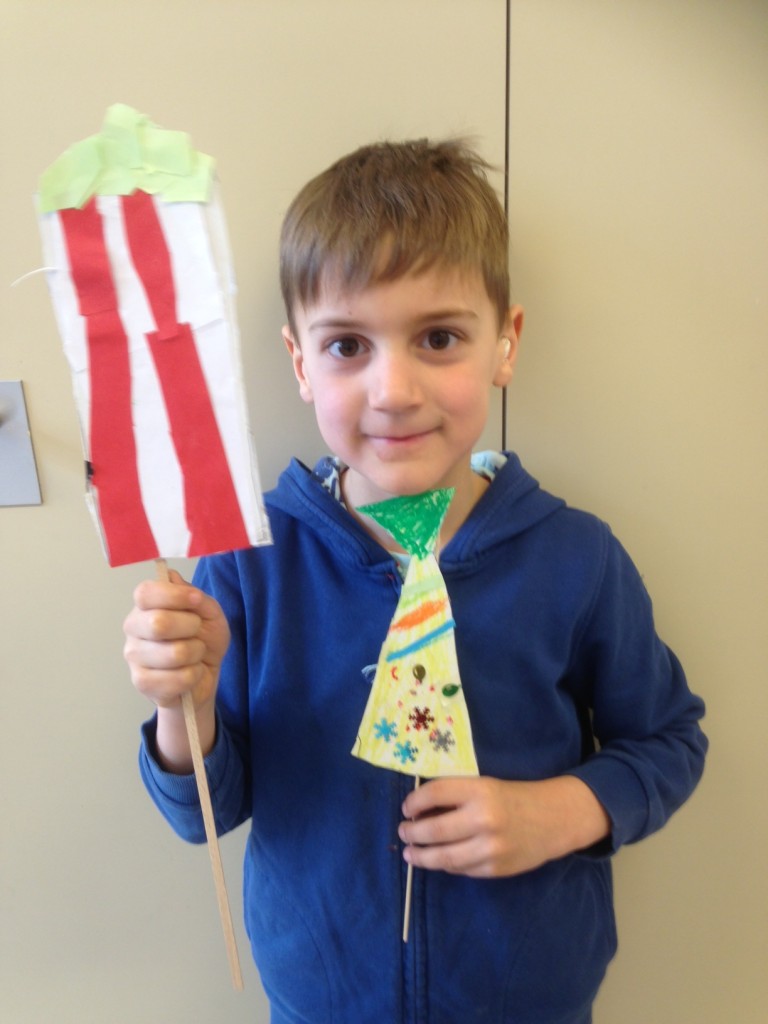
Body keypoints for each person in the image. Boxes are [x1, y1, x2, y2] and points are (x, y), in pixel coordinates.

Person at [123, 139, 707, 1024]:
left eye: (438, 338)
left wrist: (562, 812)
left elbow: (668, 741)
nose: (393, 390)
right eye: (346, 345)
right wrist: (184, 705)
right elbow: (204, 813)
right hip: (322, 1001)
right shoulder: (248, 560)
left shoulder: (577, 558)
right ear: (299, 362)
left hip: (529, 1001)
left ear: (505, 344)